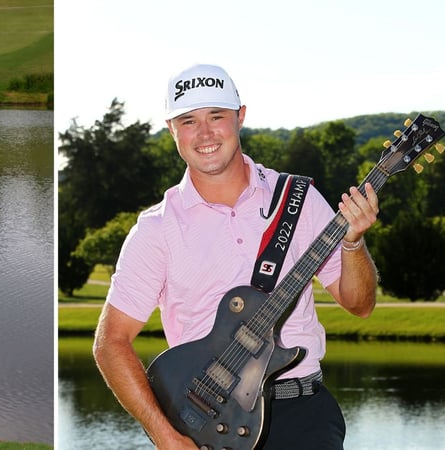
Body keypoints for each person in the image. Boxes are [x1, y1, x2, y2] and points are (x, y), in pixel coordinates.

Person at [92, 64, 378, 449]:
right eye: (189, 120)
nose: (205, 133)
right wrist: (166, 437)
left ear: (240, 117)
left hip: (304, 417)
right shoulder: (156, 229)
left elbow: (359, 305)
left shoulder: (298, 199)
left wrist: (353, 243)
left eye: (217, 116)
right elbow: (110, 343)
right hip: (209, 426)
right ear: (171, 129)